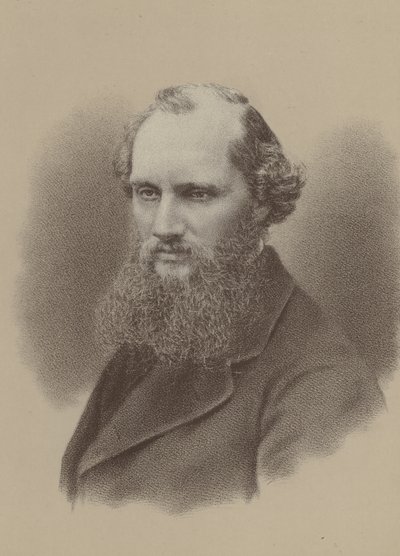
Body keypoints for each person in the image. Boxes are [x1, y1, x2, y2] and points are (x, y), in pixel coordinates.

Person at [60, 83, 384, 512]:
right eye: (148, 192)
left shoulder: (325, 386)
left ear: (262, 202)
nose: (163, 226)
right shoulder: (153, 331)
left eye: (197, 194)